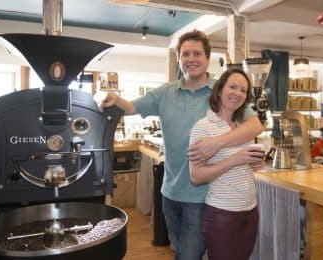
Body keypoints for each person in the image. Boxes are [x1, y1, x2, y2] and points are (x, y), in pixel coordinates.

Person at [99, 30, 263, 260]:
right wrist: (114, 98)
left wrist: (215, 144)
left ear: (207, 58)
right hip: (170, 192)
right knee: (179, 251)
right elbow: (130, 107)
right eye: (185, 54)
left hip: (202, 195)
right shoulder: (165, 93)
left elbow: (255, 125)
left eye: (197, 53)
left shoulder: (222, 91)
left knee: (188, 255)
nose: (191, 59)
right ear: (179, 59)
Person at [189, 68, 263, 260]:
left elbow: (249, 165)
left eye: (243, 90)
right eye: (233, 87)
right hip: (222, 214)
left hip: (250, 210)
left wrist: (255, 163)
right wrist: (235, 160)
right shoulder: (203, 127)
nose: (238, 93)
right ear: (220, 90)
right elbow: (196, 177)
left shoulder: (243, 127)